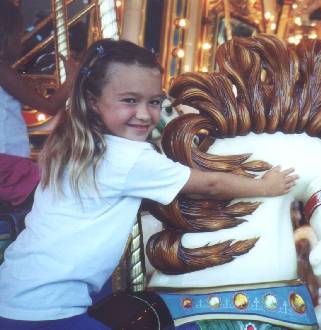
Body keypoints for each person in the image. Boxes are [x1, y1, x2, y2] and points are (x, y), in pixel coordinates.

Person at [0, 38, 298, 329]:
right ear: (93, 102)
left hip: (17, 290)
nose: (144, 114)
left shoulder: (73, 144)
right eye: (130, 100)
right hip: (46, 308)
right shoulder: (129, 157)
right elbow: (209, 185)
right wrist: (265, 186)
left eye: (154, 102)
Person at [0, 0, 76, 158]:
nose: (20, 43)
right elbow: (50, 106)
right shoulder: (3, 72)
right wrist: (72, 79)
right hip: (8, 156)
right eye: (18, 36)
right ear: (6, 38)